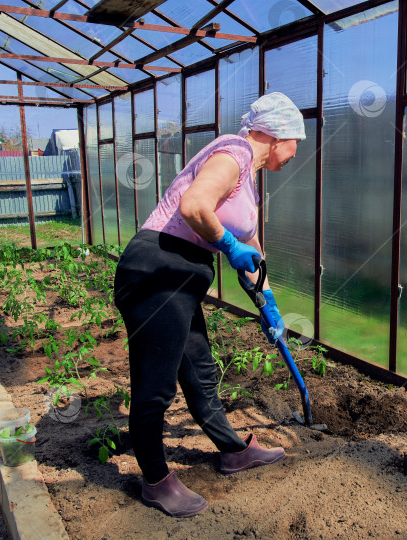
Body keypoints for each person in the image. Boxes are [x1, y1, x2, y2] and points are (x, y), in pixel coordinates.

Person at [113, 92, 306, 518]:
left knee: (200, 372)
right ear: (278, 136)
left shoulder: (248, 180)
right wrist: (227, 246)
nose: (298, 151)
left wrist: (268, 303)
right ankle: (155, 480)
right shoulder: (233, 153)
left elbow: (254, 251)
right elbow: (194, 206)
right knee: (156, 387)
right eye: (298, 141)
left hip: (179, 277)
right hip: (156, 269)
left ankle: (234, 452)